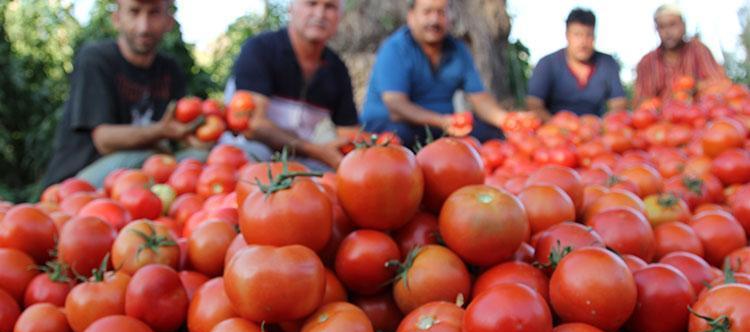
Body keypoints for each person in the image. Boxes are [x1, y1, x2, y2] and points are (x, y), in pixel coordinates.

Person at [42, 0, 203, 188]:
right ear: (117, 18)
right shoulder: (96, 59)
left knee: (200, 158)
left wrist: (200, 138)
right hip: (78, 180)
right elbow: (104, 140)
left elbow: (178, 134)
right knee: (152, 158)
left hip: (135, 180)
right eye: (134, 12)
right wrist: (161, 131)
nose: (144, 27)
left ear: (169, 21)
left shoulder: (171, 70)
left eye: (154, 13)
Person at [223, 0, 358, 170]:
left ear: (339, 16)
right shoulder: (260, 49)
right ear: (291, 8)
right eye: (311, 4)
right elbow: (253, 126)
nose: (320, 14)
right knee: (252, 163)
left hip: (302, 157)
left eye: (330, 7)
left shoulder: (337, 70)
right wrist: (315, 151)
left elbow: (348, 133)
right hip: (251, 148)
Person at [359, 0, 507, 147]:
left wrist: (506, 120)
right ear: (411, 17)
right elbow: (396, 106)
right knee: (399, 137)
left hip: (439, 128)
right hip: (392, 124)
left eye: (441, 12)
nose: (434, 20)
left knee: (491, 133)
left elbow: (480, 99)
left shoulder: (459, 51)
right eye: (427, 12)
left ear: (450, 17)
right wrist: (443, 121)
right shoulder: (395, 48)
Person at [526, 8, 627, 121]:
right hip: (554, 132)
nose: (583, 42)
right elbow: (533, 104)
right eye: (577, 35)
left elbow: (619, 104)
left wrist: (602, 126)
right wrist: (559, 127)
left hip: (596, 131)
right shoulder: (547, 64)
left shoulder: (607, 63)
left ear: (594, 36)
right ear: (567, 35)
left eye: (588, 35)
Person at [634, 4, 726, 104]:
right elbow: (642, 102)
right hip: (664, 117)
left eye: (672, 24)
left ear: (683, 25)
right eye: (662, 27)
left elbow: (719, 83)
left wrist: (695, 87)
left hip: (699, 114)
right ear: (656, 30)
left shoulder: (698, 50)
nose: (667, 32)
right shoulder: (647, 62)